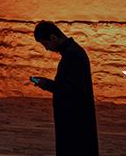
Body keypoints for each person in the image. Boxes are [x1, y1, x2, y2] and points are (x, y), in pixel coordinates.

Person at [31, 21, 98, 155]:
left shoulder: (72, 56)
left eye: (46, 44)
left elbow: (69, 90)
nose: (47, 49)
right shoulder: (73, 52)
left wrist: (46, 84)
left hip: (74, 120)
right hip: (76, 118)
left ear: (53, 38)